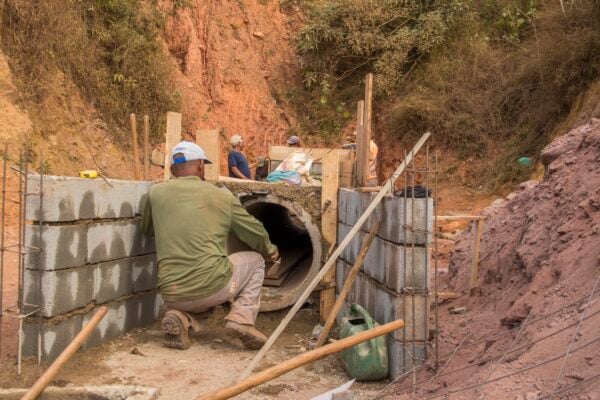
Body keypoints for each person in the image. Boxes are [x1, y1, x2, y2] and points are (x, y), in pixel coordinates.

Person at [142, 141, 279, 350]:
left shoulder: (155, 193)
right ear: (199, 166)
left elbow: (147, 230)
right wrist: (270, 251)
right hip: (212, 288)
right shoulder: (221, 196)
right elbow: (255, 232)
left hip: (171, 292)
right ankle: (241, 319)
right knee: (256, 261)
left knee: (201, 289)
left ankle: (180, 317)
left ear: (171, 169)